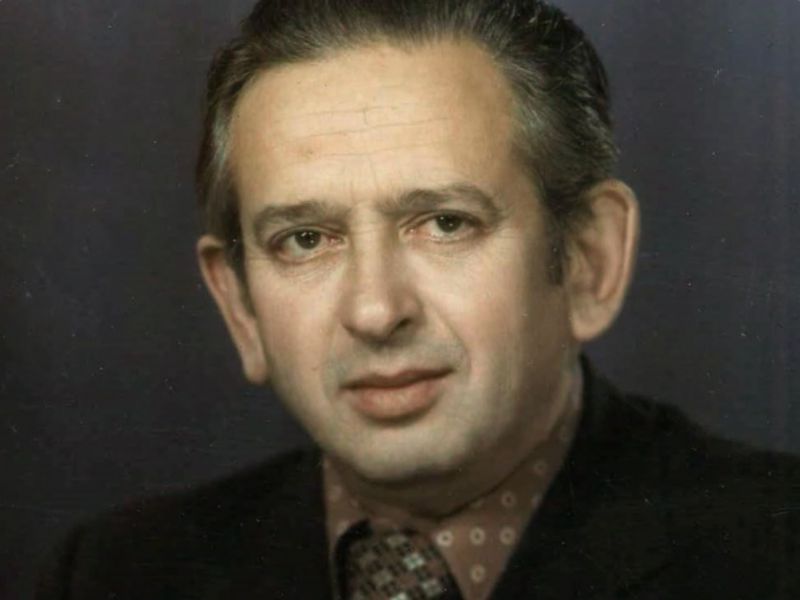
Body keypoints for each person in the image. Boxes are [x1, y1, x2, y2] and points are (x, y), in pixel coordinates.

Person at [37, 1, 799, 598]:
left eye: (445, 223)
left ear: (588, 261)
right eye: (306, 239)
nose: (375, 311)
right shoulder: (112, 576)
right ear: (240, 307)